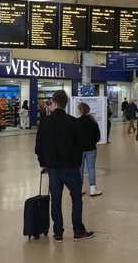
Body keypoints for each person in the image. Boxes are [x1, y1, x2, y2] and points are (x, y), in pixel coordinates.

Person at [34, 90, 95, 242]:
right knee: (76, 198)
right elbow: (79, 146)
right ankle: (78, 230)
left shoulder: (45, 123)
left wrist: (43, 164)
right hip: (70, 167)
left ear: (53, 103)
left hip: (52, 168)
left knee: (56, 199)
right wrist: (77, 164)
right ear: (65, 105)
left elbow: (39, 146)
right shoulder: (73, 122)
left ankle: (58, 233)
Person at [77, 102, 102, 197]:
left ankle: (80, 188)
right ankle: (93, 189)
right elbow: (98, 136)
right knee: (91, 168)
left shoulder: (77, 122)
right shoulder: (93, 121)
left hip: (80, 149)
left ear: (79, 110)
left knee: (80, 169)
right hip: (91, 148)